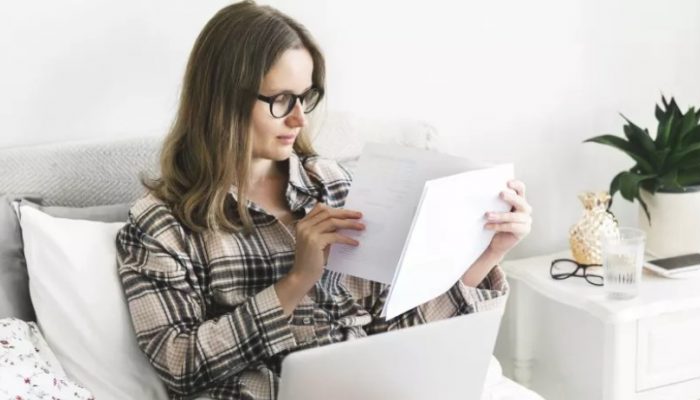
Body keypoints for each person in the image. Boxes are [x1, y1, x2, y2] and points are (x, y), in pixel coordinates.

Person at [115, 2, 533, 399]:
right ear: (223, 99)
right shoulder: (161, 225)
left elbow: (395, 330)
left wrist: (488, 253)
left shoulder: (335, 184)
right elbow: (181, 365)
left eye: (305, 97)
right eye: (281, 100)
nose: (299, 118)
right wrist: (296, 282)